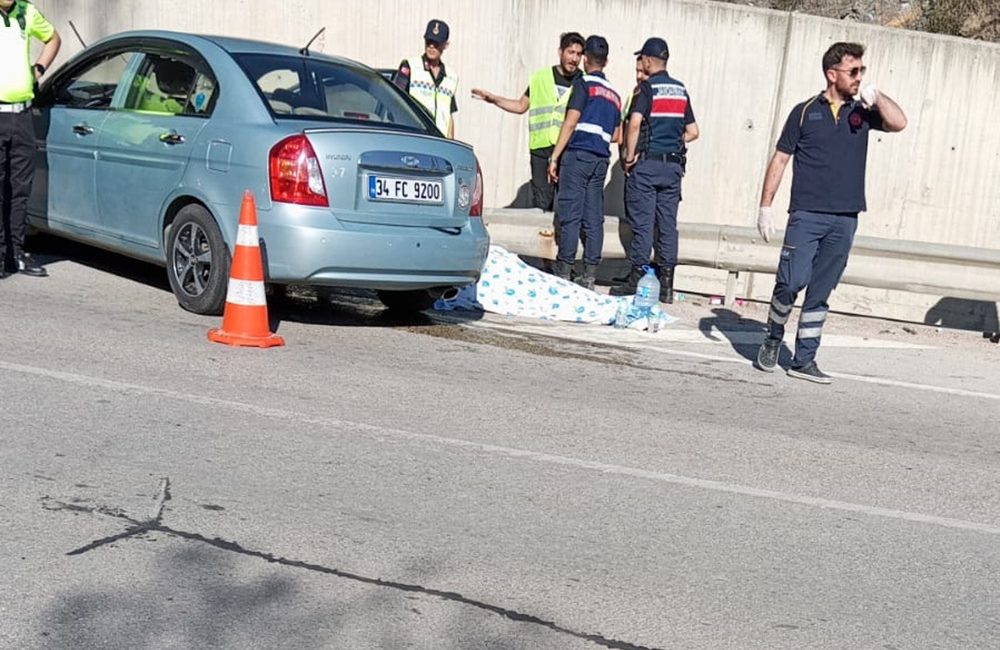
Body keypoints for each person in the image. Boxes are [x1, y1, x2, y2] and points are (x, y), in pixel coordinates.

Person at [754, 41, 906, 383]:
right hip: (807, 214)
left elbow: (899, 122)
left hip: (845, 217)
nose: (858, 77)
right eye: (853, 71)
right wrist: (766, 206)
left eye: (862, 71)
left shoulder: (864, 111)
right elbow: (780, 158)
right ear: (831, 73)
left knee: (821, 291)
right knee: (791, 282)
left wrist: (877, 95)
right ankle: (773, 337)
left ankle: (804, 360)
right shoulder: (805, 111)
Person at [612, 37, 698, 303]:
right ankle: (667, 284)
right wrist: (673, 142)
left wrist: (628, 157)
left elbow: (634, 124)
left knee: (643, 223)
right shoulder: (681, 90)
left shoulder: (646, 89)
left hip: (647, 166)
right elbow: (693, 132)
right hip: (672, 168)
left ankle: (638, 275)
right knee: (667, 225)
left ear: (648, 60)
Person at [471, 32, 585, 211]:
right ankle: (542, 238)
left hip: (568, 149)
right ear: (560, 52)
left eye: (579, 54)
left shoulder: (583, 81)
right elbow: (520, 105)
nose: (574, 58)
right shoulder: (540, 78)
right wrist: (493, 99)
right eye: (571, 52)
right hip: (540, 150)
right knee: (541, 203)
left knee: (567, 203)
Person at [545, 35, 621, 289]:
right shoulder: (613, 94)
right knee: (593, 217)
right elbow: (617, 135)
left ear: (586, 58)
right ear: (606, 61)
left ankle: (564, 271)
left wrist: (554, 156)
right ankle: (589, 274)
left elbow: (571, 121)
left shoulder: (583, 84)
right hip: (600, 159)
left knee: (570, 214)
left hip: (578, 156)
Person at [0, 0, 59, 279]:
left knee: (20, 187)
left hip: (22, 115)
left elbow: (53, 38)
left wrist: (39, 69)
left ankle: (16, 253)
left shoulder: (27, 12)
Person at [392, 19, 458, 139]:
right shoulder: (410, 66)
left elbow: (449, 114)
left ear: (445, 45)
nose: (431, 46)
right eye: (429, 41)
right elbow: (395, 102)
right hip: (415, 137)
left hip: (440, 141)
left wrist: (451, 141)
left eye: (436, 43)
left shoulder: (451, 76)